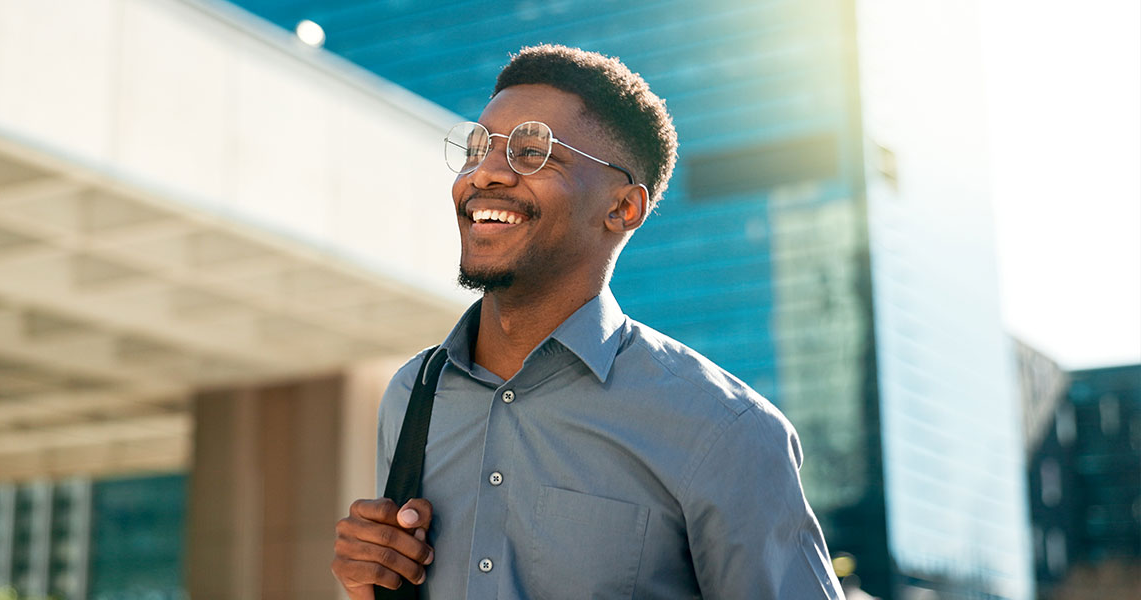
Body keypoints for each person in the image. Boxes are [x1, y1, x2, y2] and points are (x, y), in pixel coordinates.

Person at [331, 44, 845, 599]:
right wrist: (368, 585)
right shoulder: (413, 393)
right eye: (479, 149)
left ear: (623, 208)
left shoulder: (727, 432)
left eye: (532, 152)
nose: (486, 175)